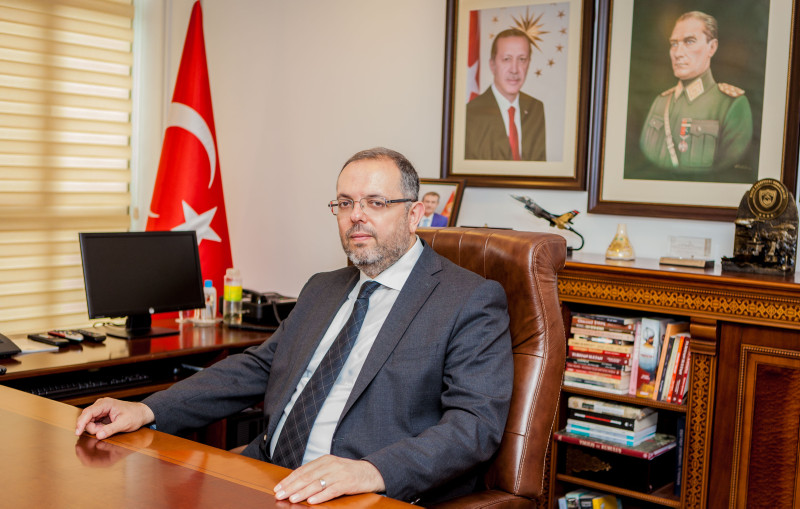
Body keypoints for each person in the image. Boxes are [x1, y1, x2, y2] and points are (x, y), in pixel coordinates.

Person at [75, 147, 513, 506]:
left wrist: (371, 471)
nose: (356, 215)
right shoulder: (323, 288)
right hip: (268, 474)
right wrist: (149, 409)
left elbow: (474, 425)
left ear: (415, 214)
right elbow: (260, 367)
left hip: (362, 493)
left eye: (375, 202)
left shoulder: (467, 299)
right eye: (345, 203)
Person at [639, 11, 753, 176]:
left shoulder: (731, 105)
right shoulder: (660, 102)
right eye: (674, 44)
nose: (678, 53)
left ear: (711, 48)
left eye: (690, 41)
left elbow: (729, 172)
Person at [465, 28, 546, 161]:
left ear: (528, 63)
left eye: (522, 59)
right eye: (507, 59)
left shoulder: (535, 108)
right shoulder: (470, 114)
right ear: (492, 65)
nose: (514, 70)